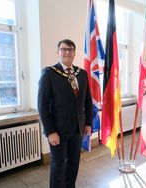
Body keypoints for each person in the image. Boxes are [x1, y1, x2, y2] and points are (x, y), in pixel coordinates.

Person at [38, 39, 93, 188]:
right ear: (58, 52)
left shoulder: (81, 74)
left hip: (77, 129)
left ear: (74, 53)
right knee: (58, 166)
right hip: (58, 131)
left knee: (73, 165)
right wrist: (50, 131)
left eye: (70, 49)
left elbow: (87, 100)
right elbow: (42, 105)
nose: (67, 52)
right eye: (63, 49)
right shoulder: (49, 73)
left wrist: (88, 123)